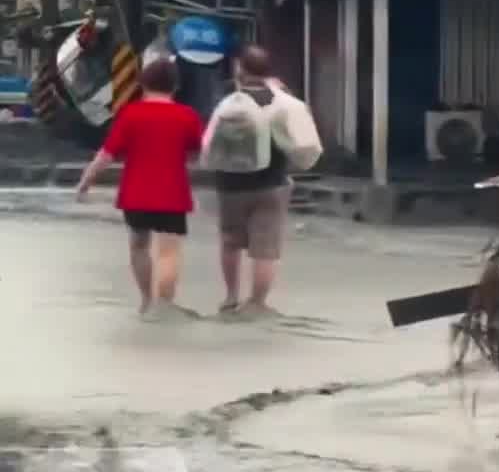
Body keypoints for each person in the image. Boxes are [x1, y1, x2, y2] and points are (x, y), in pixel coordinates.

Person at [76, 57, 204, 316]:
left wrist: (85, 182)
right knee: (169, 252)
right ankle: (164, 306)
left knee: (139, 246)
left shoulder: (130, 113)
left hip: (135, 194)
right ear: (175, 86)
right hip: (173, 194)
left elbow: (106, 155)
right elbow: (198, 154)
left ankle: (146, 301)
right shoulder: (187, 116)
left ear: (143, 83)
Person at [202, 45, 322, 315]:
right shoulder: (280, 102)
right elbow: (302, 147)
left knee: (230, 242)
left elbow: (208, 146)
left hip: (229, 185)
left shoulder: (227, 102)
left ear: (239, 69)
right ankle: (256, 303)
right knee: (265, 248)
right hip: (271, 183)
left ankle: (231, 297)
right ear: (269, 71)